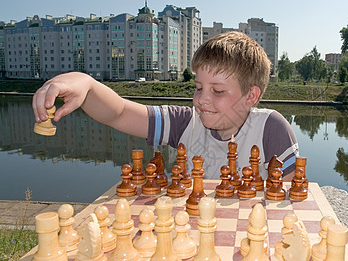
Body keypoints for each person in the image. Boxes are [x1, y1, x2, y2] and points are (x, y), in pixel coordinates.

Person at [32, 31, 298, 181]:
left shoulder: (271, 129)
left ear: (251, 96)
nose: (202, 99)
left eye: (217, 91)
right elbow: (120, 112)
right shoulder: (184, 123)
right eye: (198, 87)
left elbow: (292, 201)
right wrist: (85, 83)